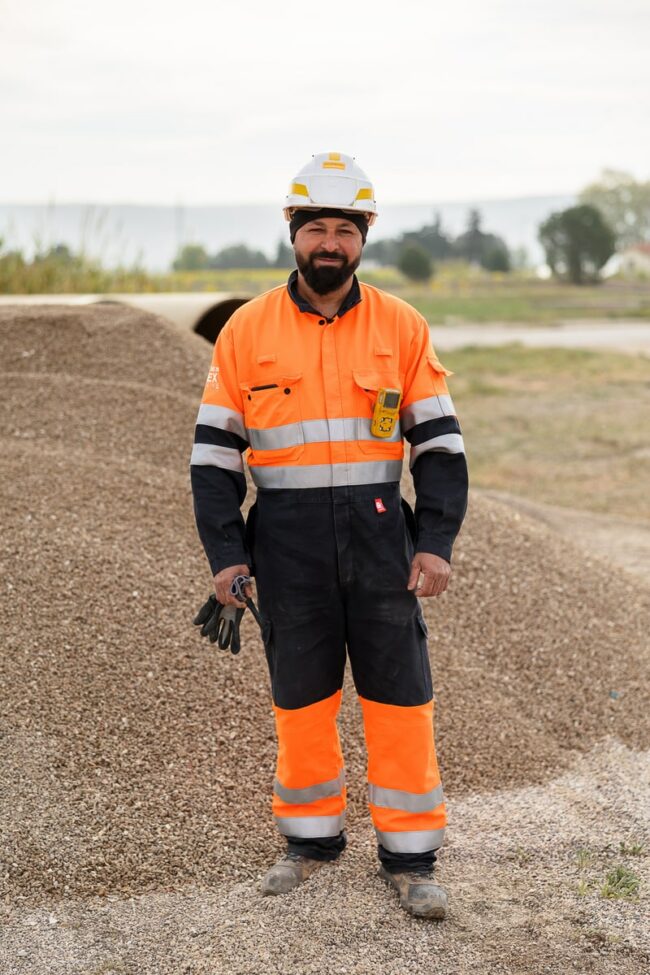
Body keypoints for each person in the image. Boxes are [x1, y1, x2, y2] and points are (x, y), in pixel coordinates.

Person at [190, 152, 468, 919]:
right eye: (316, 225)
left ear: (364, 236)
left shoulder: (400, 326)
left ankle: (411, 857)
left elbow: (439, 448)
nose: (329, 242)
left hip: (382, 540)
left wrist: (435, 540)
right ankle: (310, 842)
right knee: (302, 701)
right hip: (286, 546)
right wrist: (227, 556)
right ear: (293, 231)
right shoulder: (247, 331)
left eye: (345, 228)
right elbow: (213, 459)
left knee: (400, 698)